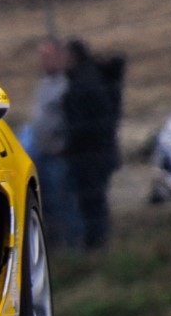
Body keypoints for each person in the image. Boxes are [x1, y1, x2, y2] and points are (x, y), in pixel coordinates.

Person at [60, 39, 124, 249]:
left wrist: (68, 143)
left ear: (73, 58)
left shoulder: (84, 83)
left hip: (91, 154)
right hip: (97, 152)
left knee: (92, 203)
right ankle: (95, 244)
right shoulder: (88, 78)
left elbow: (86, 123)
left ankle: (95, 245)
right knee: (93, 202)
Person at [18, 39, 82, 246]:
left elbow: (69, 119)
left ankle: (71, 246)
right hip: (40, 151)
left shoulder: (66, 85)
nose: (44, 62)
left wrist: (62, 143)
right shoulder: (45, 84)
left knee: (62, 201)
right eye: (41, 57)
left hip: (56, 154)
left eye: (48, 56)